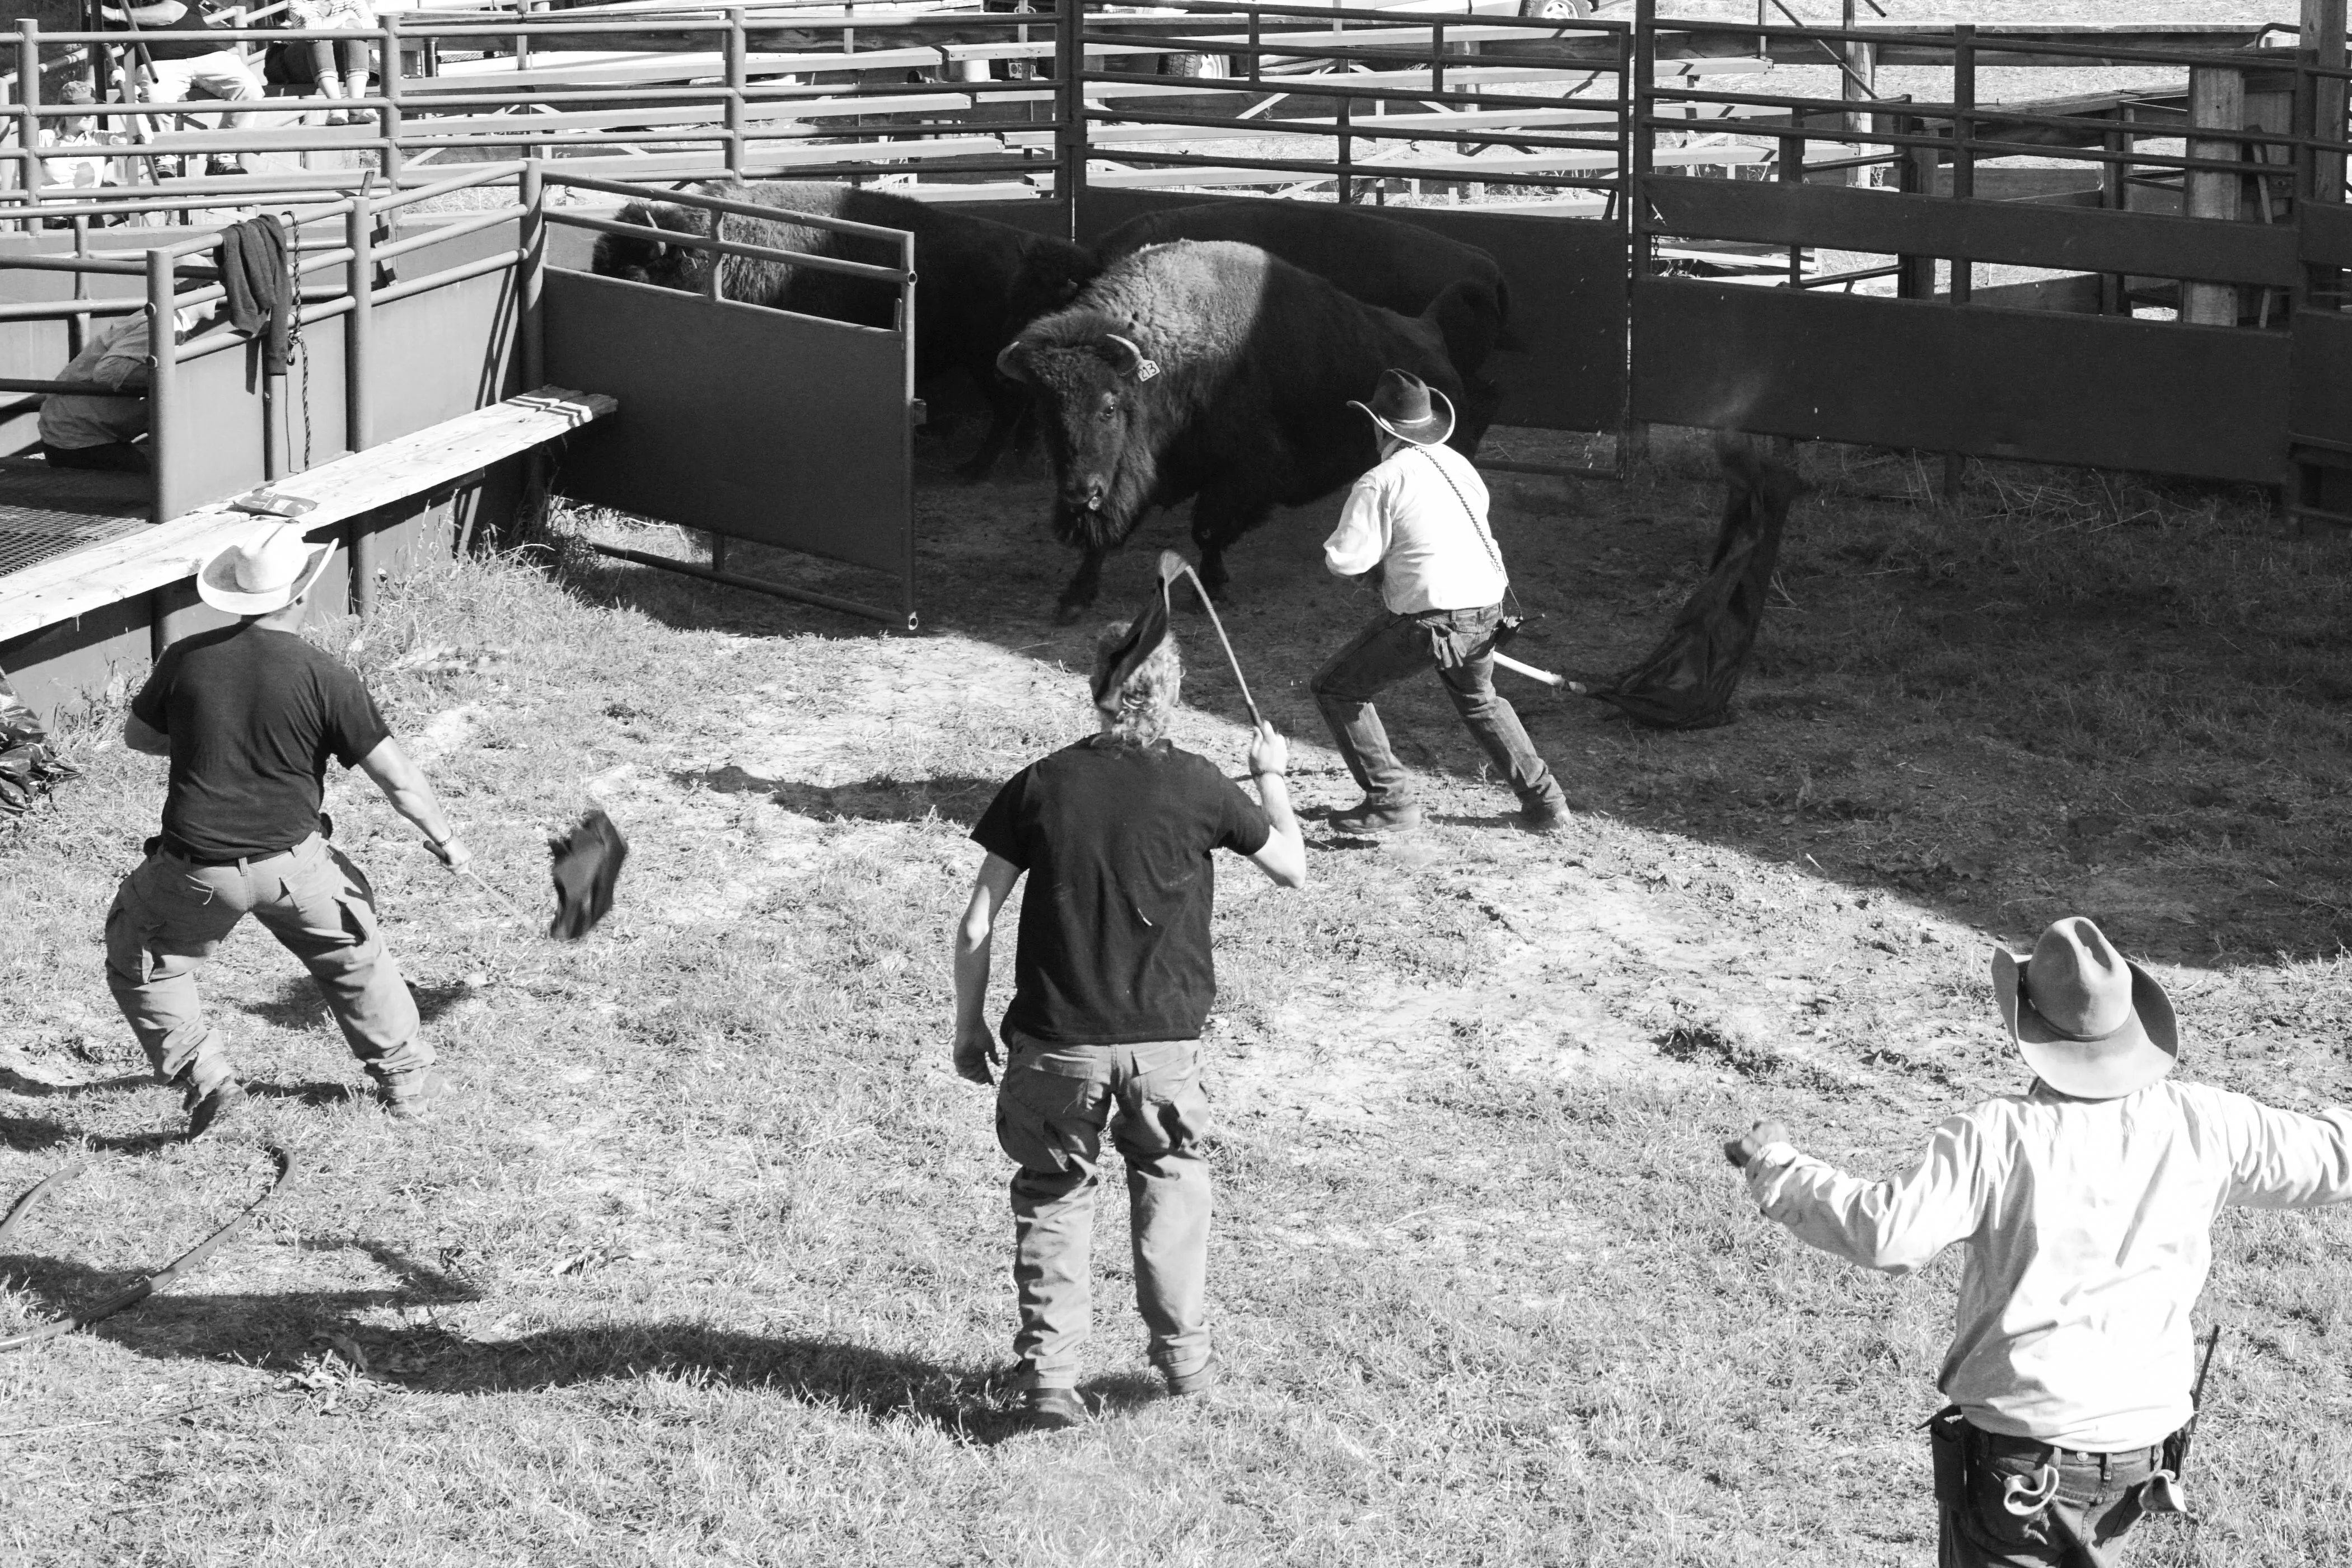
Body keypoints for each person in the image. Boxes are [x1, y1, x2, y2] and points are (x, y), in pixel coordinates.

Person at [1724, 915, 2352, 1567]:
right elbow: (2336, 1156)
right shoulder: (2205, 1122)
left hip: (2019, 1467)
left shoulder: (1996, 1135)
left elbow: (1888, 1234)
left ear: (2027, 1026)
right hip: (2137, 1465)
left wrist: (1780, 1168)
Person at [952, 621, 1306, 1429]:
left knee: (1054, 1194)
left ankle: (1049, 1381)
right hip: (1165, 1050)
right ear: (1174, 694)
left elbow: (976, 925)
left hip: (1055, 1048)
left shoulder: (1041, 783)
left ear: (1096, 688)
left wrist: (969, 1027)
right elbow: (1292, 866)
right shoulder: (1204, 786)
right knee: (1173, 1181)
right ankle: (1183, 1361)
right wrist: (1271, 777)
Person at [109, 521, 471, 1136]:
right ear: (301, 592)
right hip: (295, 867)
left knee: (143, 959)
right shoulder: (327, 676)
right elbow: (400, 780)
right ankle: (408, 1080)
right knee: (355, 954)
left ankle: (205, 1077)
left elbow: (139, 737)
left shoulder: (186, 658)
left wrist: (201, 734)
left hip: (195, 869)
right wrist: (448, 841)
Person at [1311, 368, 1571, 837]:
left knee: (1337, 688)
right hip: (1488, 609)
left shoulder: (1380, 480)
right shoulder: (1457, 464)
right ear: (1427, 424)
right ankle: (1547, 804)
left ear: (1379, 426)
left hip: (1434, 621)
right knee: (1478, 699)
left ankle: (1389, 802)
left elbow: (1347, 561)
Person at [39, 306, 208, 473]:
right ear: (202, 288)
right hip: (81, 441)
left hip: (76, 434)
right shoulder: (164, 324)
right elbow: (107, 372)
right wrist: (177, 376)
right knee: (159, 486)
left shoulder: (163, 317)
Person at [100, 0, 262, 172]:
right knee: (157, 96)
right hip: (158, 63)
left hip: (207, 54)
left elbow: (172, 12)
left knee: (250, 88)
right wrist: (90, 82)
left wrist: (118, 14)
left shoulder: (118, 9)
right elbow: (100, 36)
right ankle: (165, 161)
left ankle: (222, 158)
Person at [284, 0, 375, 125]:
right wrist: (347, 14)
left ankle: (357, 106)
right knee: (319, 37)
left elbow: (371, 26)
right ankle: (336, 107)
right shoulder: (298, 2)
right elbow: (312, 29)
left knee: (356, 36)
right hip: (302, 63)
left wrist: (330, 24)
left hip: (339, 63)